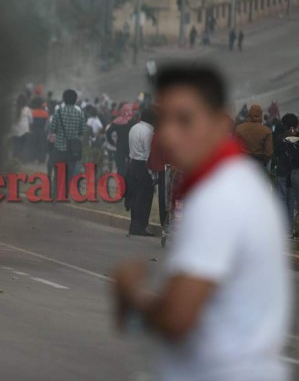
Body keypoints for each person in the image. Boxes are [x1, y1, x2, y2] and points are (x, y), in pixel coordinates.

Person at [114, 64, 292, 381]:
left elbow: (177, 316)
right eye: (164, 119)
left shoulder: (219, 197)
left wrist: (130, 297)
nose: (169, 134)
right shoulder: (234, 183)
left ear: (221, 122)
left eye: (184, 119)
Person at [125, 108, 156, 236]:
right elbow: (149, 154)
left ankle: (134, 225)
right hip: (143, 166)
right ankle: (140, 227)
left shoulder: (134, 127)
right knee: (144, 198)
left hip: (133, 165)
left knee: (135, 197)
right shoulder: (149, 132)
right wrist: (153, 174)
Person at [49, 89, 85, 197]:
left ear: (64, 99)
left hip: (59, 148)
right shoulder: (79, 113)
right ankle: (65, 194)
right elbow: (82, 130)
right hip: (72, 150)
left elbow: (52, 129)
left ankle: (56, 193)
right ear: (75, 99)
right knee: (70, 173)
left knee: (58, 172)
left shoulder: (58, 111)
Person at [274, 113, 299, 235]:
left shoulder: (279, 137)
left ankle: (283, 229)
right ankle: (290, 229)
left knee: (281, 200)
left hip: (282, 171)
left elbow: (276, 153)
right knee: (292, 201)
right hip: (294, 171)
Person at [106, 103, 135, 176]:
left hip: (120, 147)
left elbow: (108, 132)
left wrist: (112, 142)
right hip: (131, 147)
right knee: (130, 167)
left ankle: (121, 183)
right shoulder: (133, 121)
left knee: (120, 167)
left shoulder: (117, 121)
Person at [10, 94, 33, 161]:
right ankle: (21, 159)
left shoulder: (14, 108)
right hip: (24, 129)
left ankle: (14, 158)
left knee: (15, 144)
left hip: (14, 129)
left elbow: (11, 118)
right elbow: (31, 120)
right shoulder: (27, 109)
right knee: (22, 145)